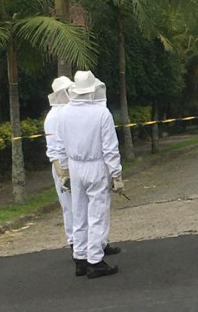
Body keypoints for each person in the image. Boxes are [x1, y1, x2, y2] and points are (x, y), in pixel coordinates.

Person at [57, 71, 124, 278]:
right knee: (97, 213)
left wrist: (64, 171)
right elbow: (110, 148)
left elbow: (60, 145)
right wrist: (117, 175)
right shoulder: (101, 113)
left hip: (75, 167)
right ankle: (95, 260)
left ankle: (80, 258)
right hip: (96, 166)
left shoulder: (64, 112)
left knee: (79, 211)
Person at [44, 76, 74, 252]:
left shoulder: (67, 113)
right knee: (69, 206)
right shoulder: (53, 117)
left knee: (81, 206)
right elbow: (53, 150)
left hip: (74, 164)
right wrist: (63, 174)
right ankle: (74, 243)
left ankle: (93, 243)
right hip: (62, 167)